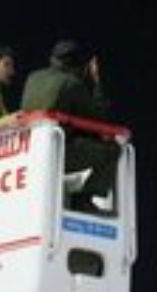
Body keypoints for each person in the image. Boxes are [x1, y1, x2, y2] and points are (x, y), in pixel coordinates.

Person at [21, 40, 120, 211]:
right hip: (58, 151)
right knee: (112, 150)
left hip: (30, 150)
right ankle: (83, 199)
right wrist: (95, 82)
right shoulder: (71, 83)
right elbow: (99, 116)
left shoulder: (33, 77)